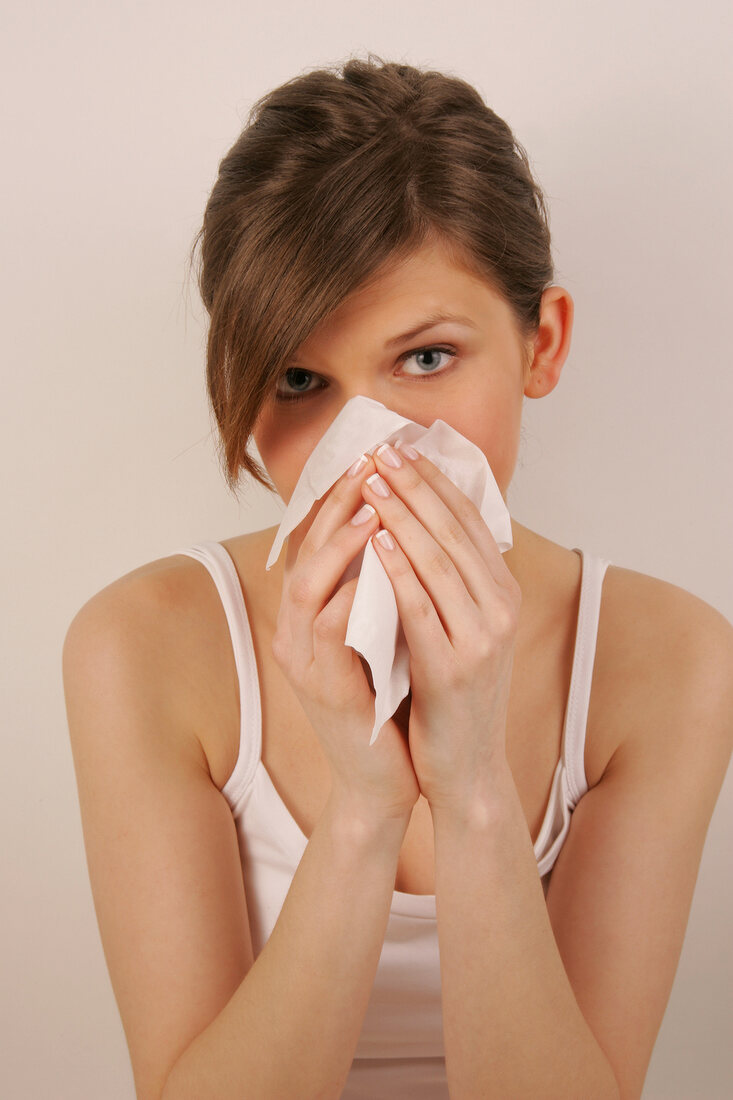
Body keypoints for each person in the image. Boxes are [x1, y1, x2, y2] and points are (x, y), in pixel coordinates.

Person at [61, 55, 733, 1100]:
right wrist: (367, 805)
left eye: (425, 358)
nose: (366, 446)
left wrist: (469, 788)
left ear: (540, 344)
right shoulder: (144, 644)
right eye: (299, 379)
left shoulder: (669, 657)